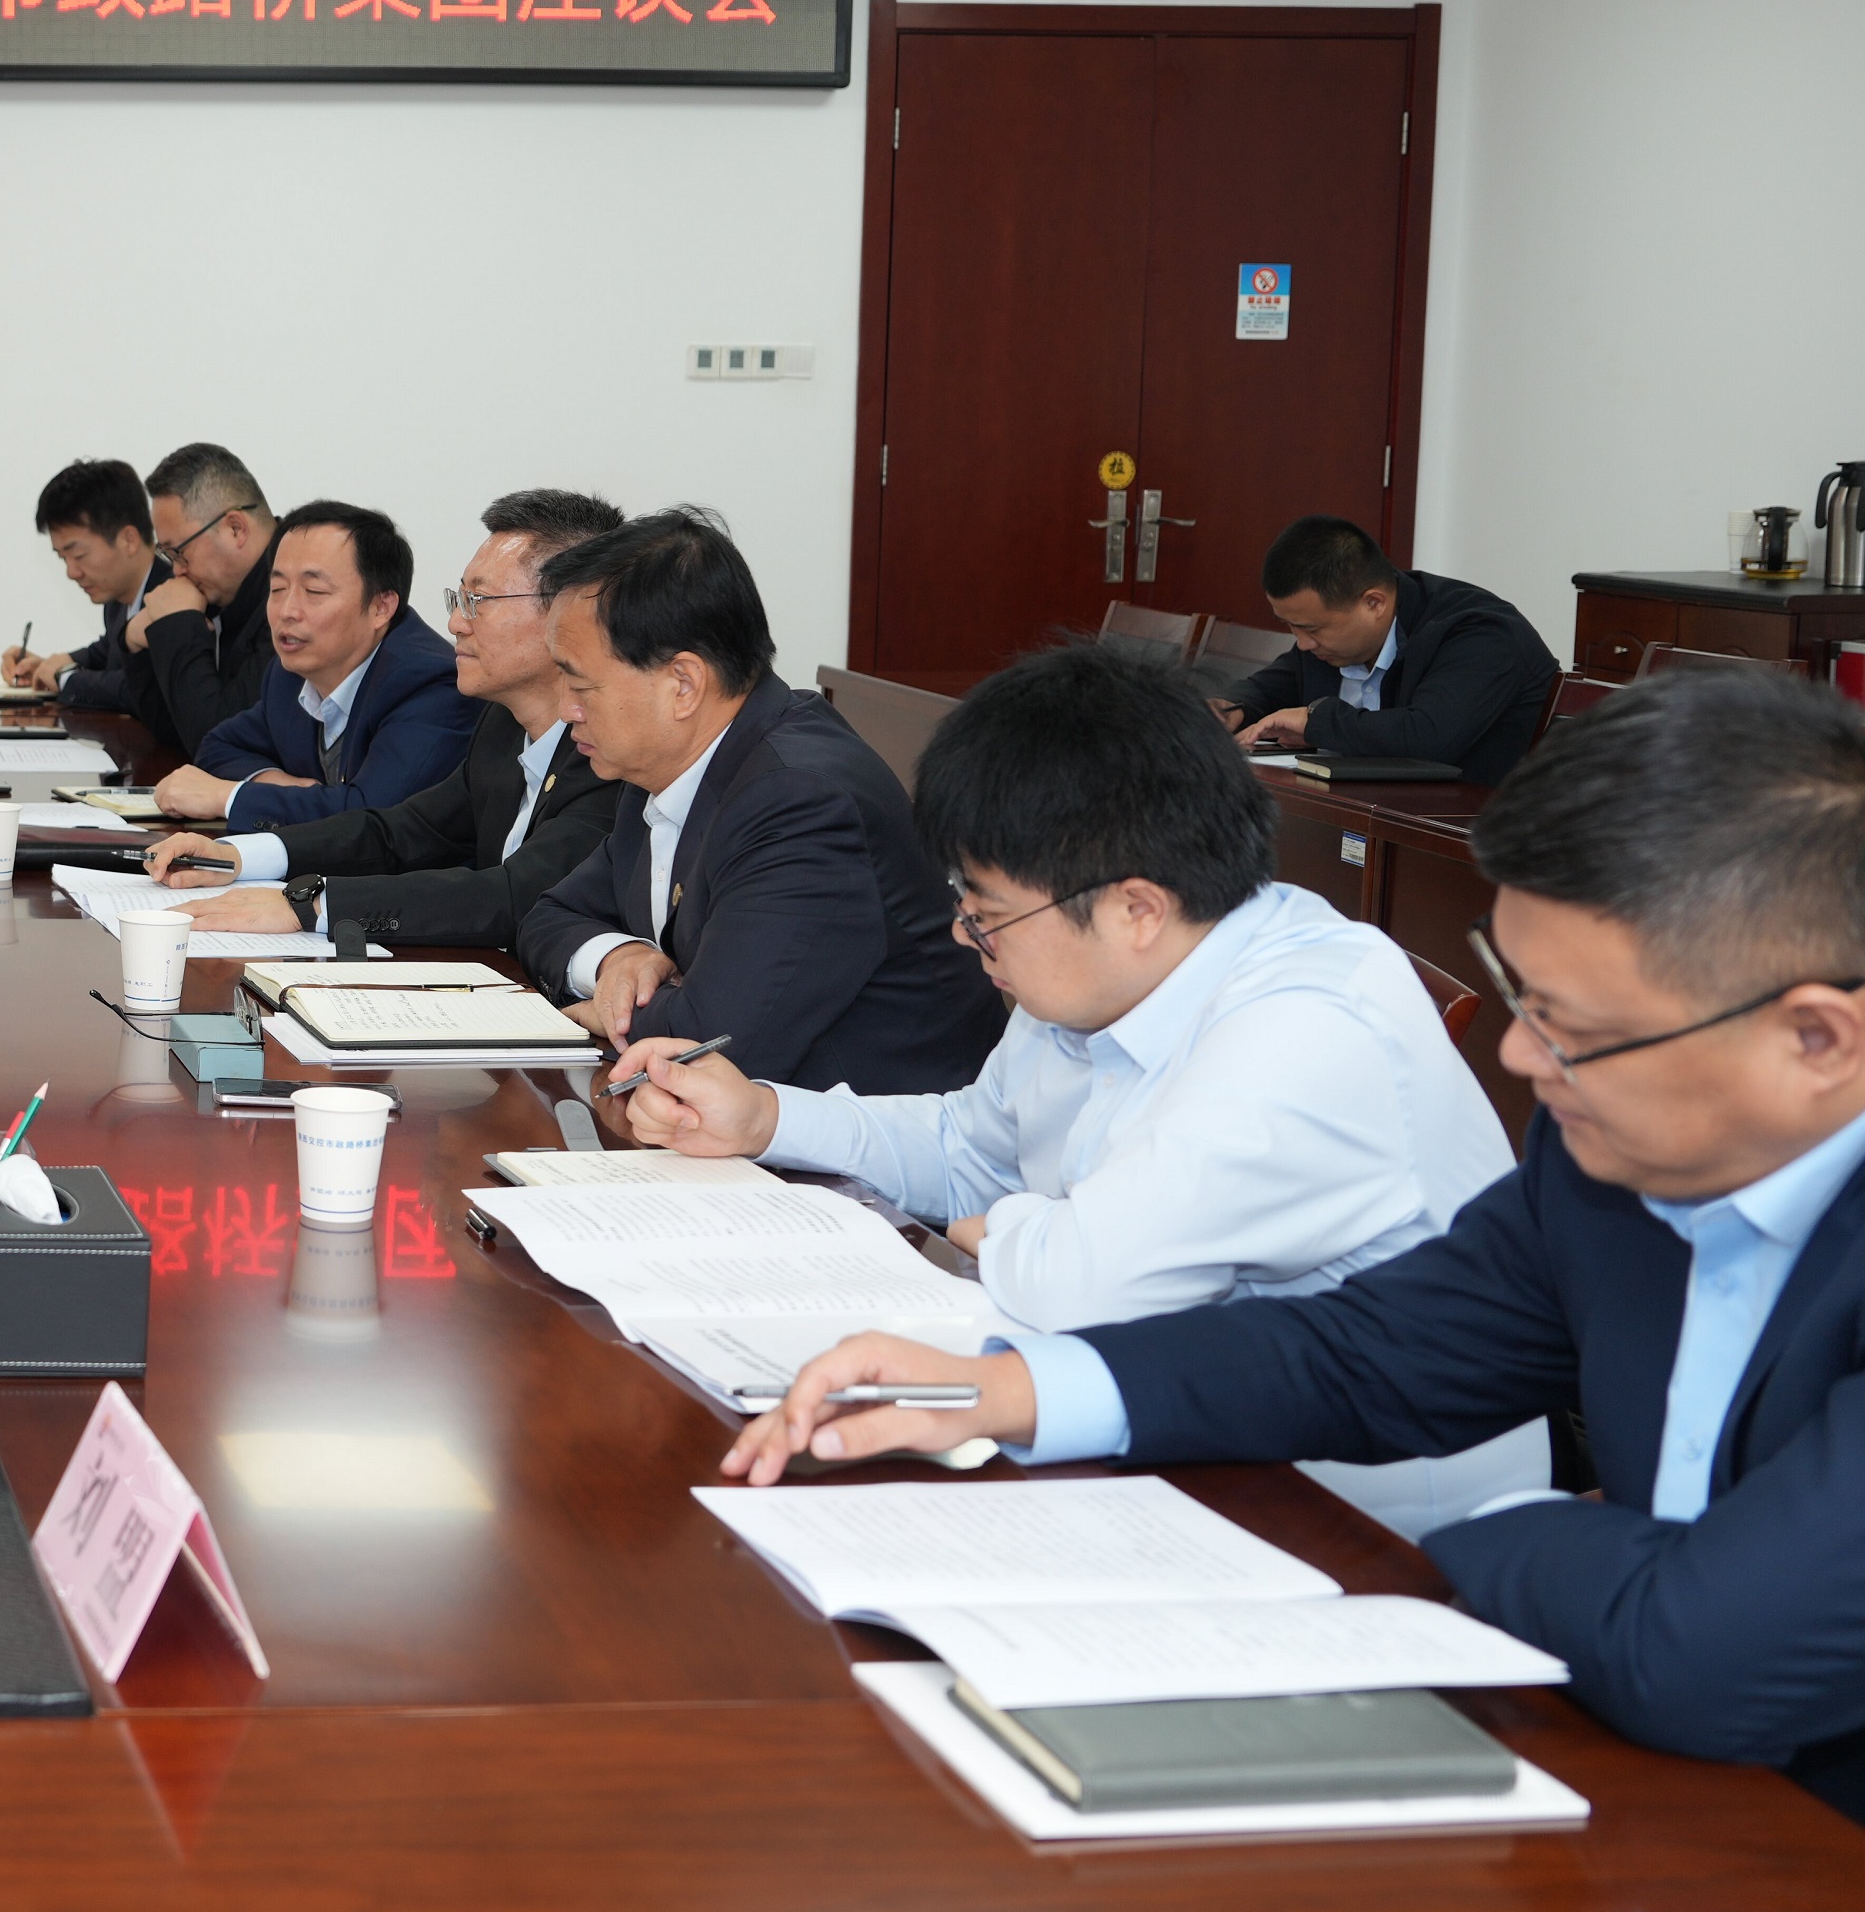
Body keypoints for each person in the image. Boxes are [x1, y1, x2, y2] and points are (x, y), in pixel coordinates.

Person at [731, 673, 1865, 1912]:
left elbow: (1706, 1655)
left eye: (1563, 1026)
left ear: (1815, 1037)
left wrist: (1463, 1545)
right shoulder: (1639, 1107)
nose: (1516, 1057)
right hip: (1641, 1816)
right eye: (1516, 995)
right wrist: (1013, 1392)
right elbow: (1373, 1352)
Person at [622, 638, 1528, 1530]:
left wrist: (1013, 1228)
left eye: (986, 912)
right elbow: (968, 1151)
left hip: (1357, 1519)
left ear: (1137, 907)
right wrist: (765, 1118)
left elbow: (1077, 1285)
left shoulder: (1309, 1028)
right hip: (1148, 1434)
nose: (963, 936)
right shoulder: (1097, 968)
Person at [517, 508, 996, 1092]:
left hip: (869, 1139)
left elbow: (712, 1046)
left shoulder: (800, 803)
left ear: (683, 685)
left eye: (580, 684)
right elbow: (547, 916)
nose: (566, 709)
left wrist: (614, 1012)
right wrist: (615, 960)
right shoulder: (663, 763)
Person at [146, 489, 622, 949]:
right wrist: (236, 855)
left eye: (478, 601)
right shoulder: (504, 727)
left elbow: (516, 894)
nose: (456, 623)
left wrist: (312, 905)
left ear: (567, 612)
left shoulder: (613, 750)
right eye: (458, 599)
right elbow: (399, 833)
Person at [149, 499, 467, 833]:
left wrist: (230, 797)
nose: (286, 611)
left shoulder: (431, 685)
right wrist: (284, 786)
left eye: (314, 591)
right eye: (277, 589)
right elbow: (218, 747)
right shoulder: (289, 675)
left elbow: (370, 819)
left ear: (381, 607)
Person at [1221, 515, 1560, 784]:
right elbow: (1267, 689)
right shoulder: (1329, 644)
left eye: (1311, 629)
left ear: (1374, 603)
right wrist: (1229, 709)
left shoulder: (1480, 634)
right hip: (1365, 818)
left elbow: (1426, 738)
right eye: (1290, 626)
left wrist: (1317, 722)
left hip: (1475, 831)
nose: (1302, 643)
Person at [130, 441, 276, 759]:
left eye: (179, 552)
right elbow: (171, 731)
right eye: (168, 556)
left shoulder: (291, 601)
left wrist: (178, 625)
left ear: (235, 528)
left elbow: (217, 743)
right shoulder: (222, 592)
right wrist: (135, 642)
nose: (177, 571)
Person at [2, 458, 167, 704]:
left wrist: (65, 678)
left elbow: (144, 690)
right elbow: (108, 652)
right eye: (63, 558)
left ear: (129, 540)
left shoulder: (172, 596)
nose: (71, 572)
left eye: (79, 555)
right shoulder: (118, 598)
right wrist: (51, 665)